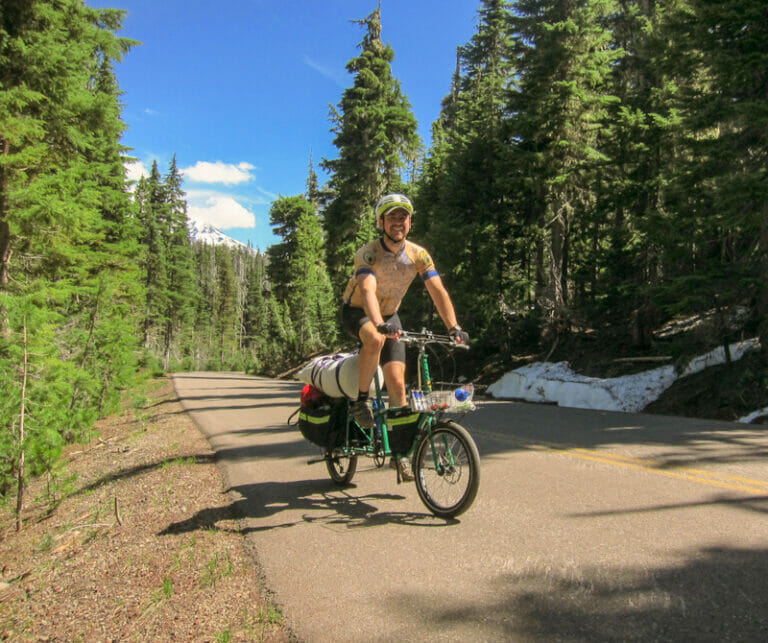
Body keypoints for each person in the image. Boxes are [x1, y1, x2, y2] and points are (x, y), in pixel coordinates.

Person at [341, 193, 469, 480]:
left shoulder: (418, 254)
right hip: (358, 311)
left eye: (403, 217)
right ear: (381, 222)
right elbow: (368, 291)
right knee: (374, 339)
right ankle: (360, 401)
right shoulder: (369, 252)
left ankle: (399, 454)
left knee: (398, 384)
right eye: (392, 217)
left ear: (410, 221)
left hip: (390, 316)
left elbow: (437, 290)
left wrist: (454, 327)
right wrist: (377, 323)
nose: (398, 222)